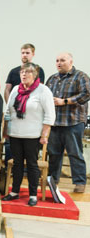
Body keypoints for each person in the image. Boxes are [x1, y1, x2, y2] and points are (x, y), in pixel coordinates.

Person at [2, 63, 55, 206]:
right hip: (15, 134)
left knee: (32, 165)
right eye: (22, 72)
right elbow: (8, 112)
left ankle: (33, 195)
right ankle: (15, 192)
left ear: (35, 75)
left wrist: (45, 135)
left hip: (32, 135)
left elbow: (50, 115)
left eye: (28, 72)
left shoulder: (43, 91)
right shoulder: (15, 89)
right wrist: (5, 130)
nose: (24, 75)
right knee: (17, 164)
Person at [46, 53, 89, 193]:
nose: (59, 63)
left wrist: (65, 101)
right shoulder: (52, 79)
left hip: (73, 122)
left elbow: (86, 94)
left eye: (62, 60)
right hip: (55, 122)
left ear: (71, 61)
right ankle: (53, 180)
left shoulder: (80, 76)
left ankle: (80, 182)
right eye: (57, 60)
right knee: (54, 154)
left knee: (75, 153)